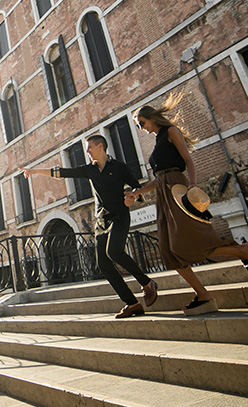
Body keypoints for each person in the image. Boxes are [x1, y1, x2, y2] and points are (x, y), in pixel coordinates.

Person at [124, 94, 248, 316]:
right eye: (138, 125)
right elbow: (159, 178)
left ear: (151, 118)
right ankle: (204, 295)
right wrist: (137, 192)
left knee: (191, 241)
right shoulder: (158, 141)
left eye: (141, 123)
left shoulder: (171, 132)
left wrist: (193, 185)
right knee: (170, 250)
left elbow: (187, 160)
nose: (141, 128)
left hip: (177, 190)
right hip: (164, 192)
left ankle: (244, 251)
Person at [21, 134, 158, 319]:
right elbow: (63, 172)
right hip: (101, 220)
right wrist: (35, 171)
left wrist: (132, 198)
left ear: (100, 147)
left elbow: (137, 188)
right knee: (103, 263)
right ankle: (132, 303)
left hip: (119, 217)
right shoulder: (89, 170)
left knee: (114, 251)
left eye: (89, 147)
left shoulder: (119, 167)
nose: (87, 152)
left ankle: (147, 283)